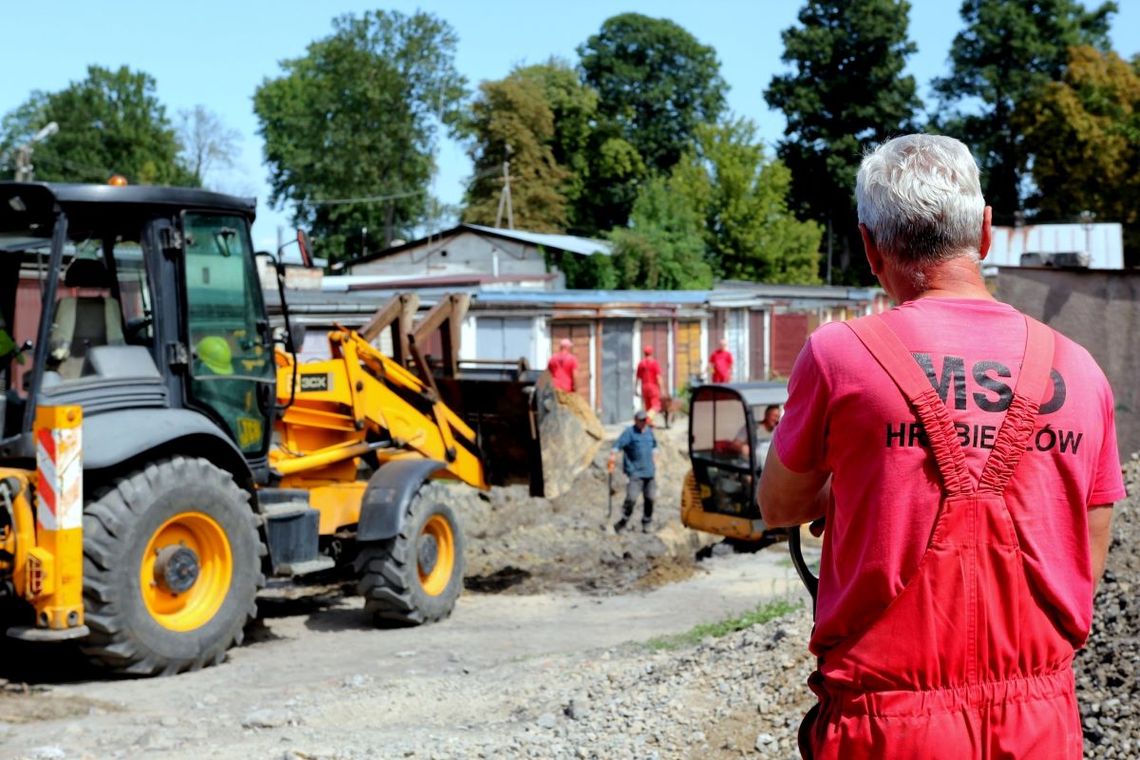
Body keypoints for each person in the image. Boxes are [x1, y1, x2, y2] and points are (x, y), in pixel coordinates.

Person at [758, 134, 1123, 759]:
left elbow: (780, 505)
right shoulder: (1081, 370)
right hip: (1040, 722)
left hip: (888, 728)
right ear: (985, 232)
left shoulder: (839, 355)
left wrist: (853, 484)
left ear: (870, 246)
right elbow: (1084, 552)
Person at [608, 409, 658, 533]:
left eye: (645, 420)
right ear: (635, 420)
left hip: (649, 473)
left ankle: (647, 523)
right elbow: (617, 445)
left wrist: (655, 459)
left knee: (650, 498)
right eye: (641, 420)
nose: (643, 422)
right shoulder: (629, 433)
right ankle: (622, 523)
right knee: (631, 498)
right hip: (635, 473)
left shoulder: (649, 432)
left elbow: (655, 447)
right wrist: (612, 456)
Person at [635, 345, 662, 419]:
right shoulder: (654, 363)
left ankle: (649, 424)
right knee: (656, 406)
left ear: (644, 353)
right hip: (653, 387)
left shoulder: (641, 364)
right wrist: (662, 389)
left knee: (648, 407)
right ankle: (647, 420)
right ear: (651, 353)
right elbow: (658, 377)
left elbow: (637, 378)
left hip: (644, 387)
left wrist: (635, 390)